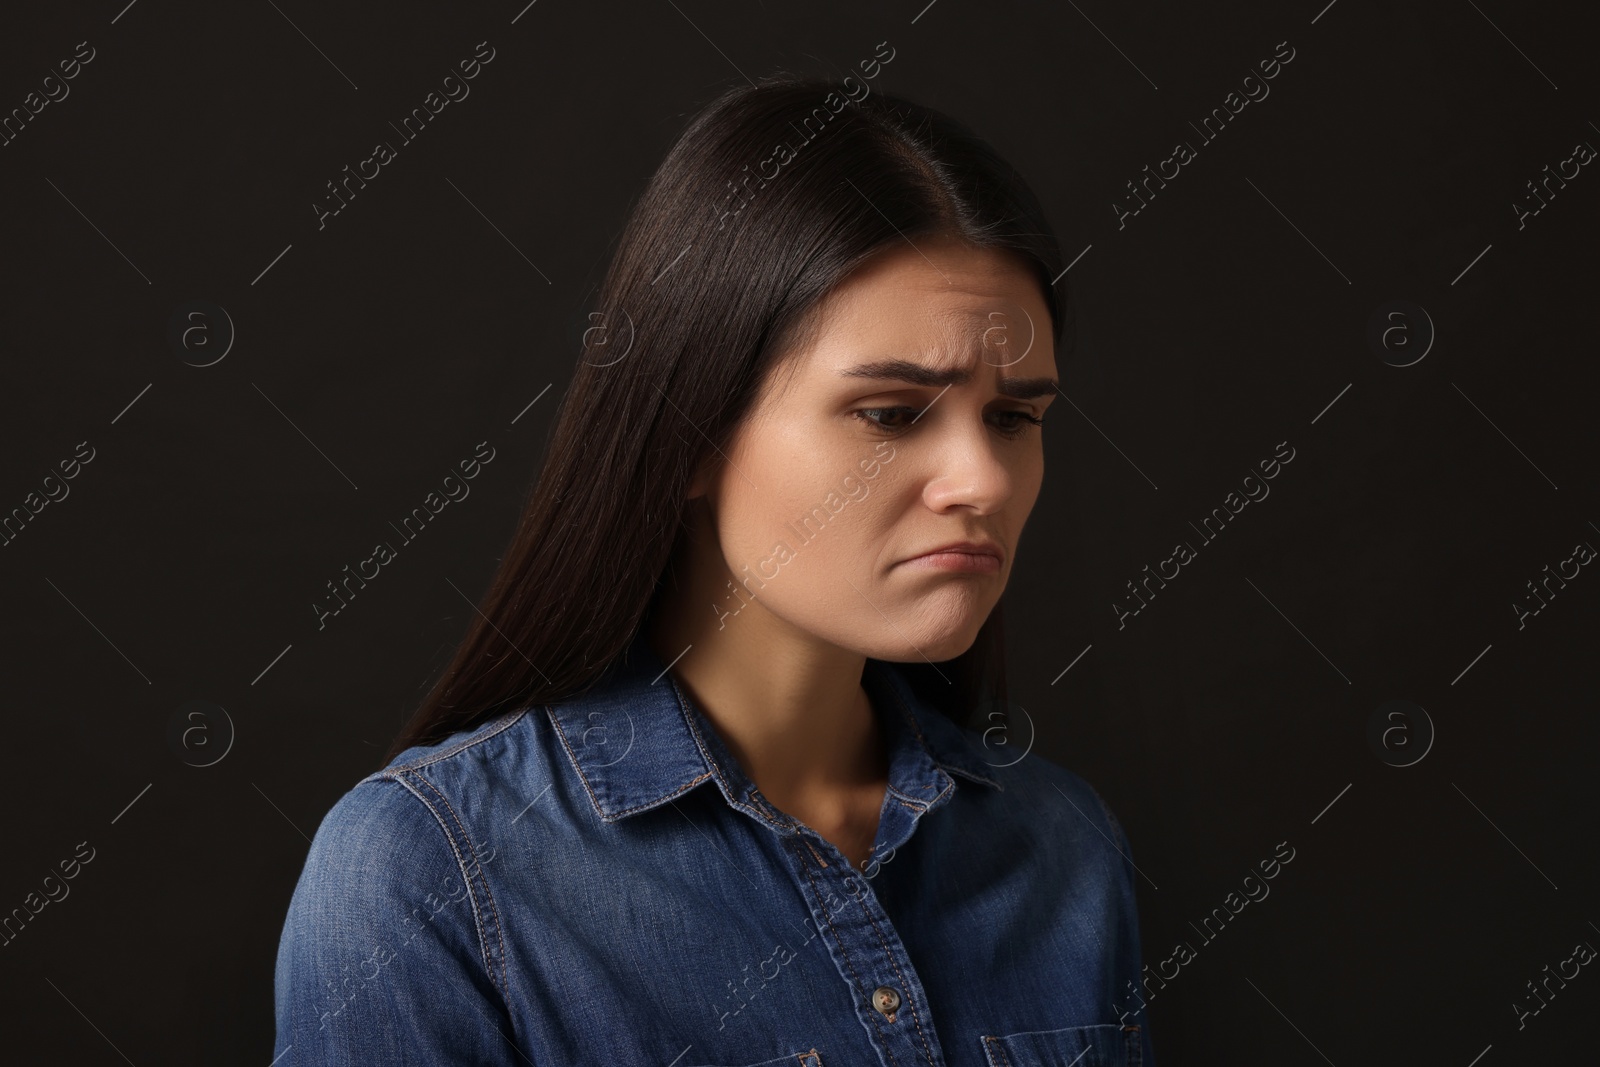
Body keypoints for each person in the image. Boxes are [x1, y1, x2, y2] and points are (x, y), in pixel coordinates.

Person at [273, 73, 1155, 1066]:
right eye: (891, 412)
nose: (980, 478)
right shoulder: (426, 873)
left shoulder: (1061, 849)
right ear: (690, 429)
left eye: (1014, 416)